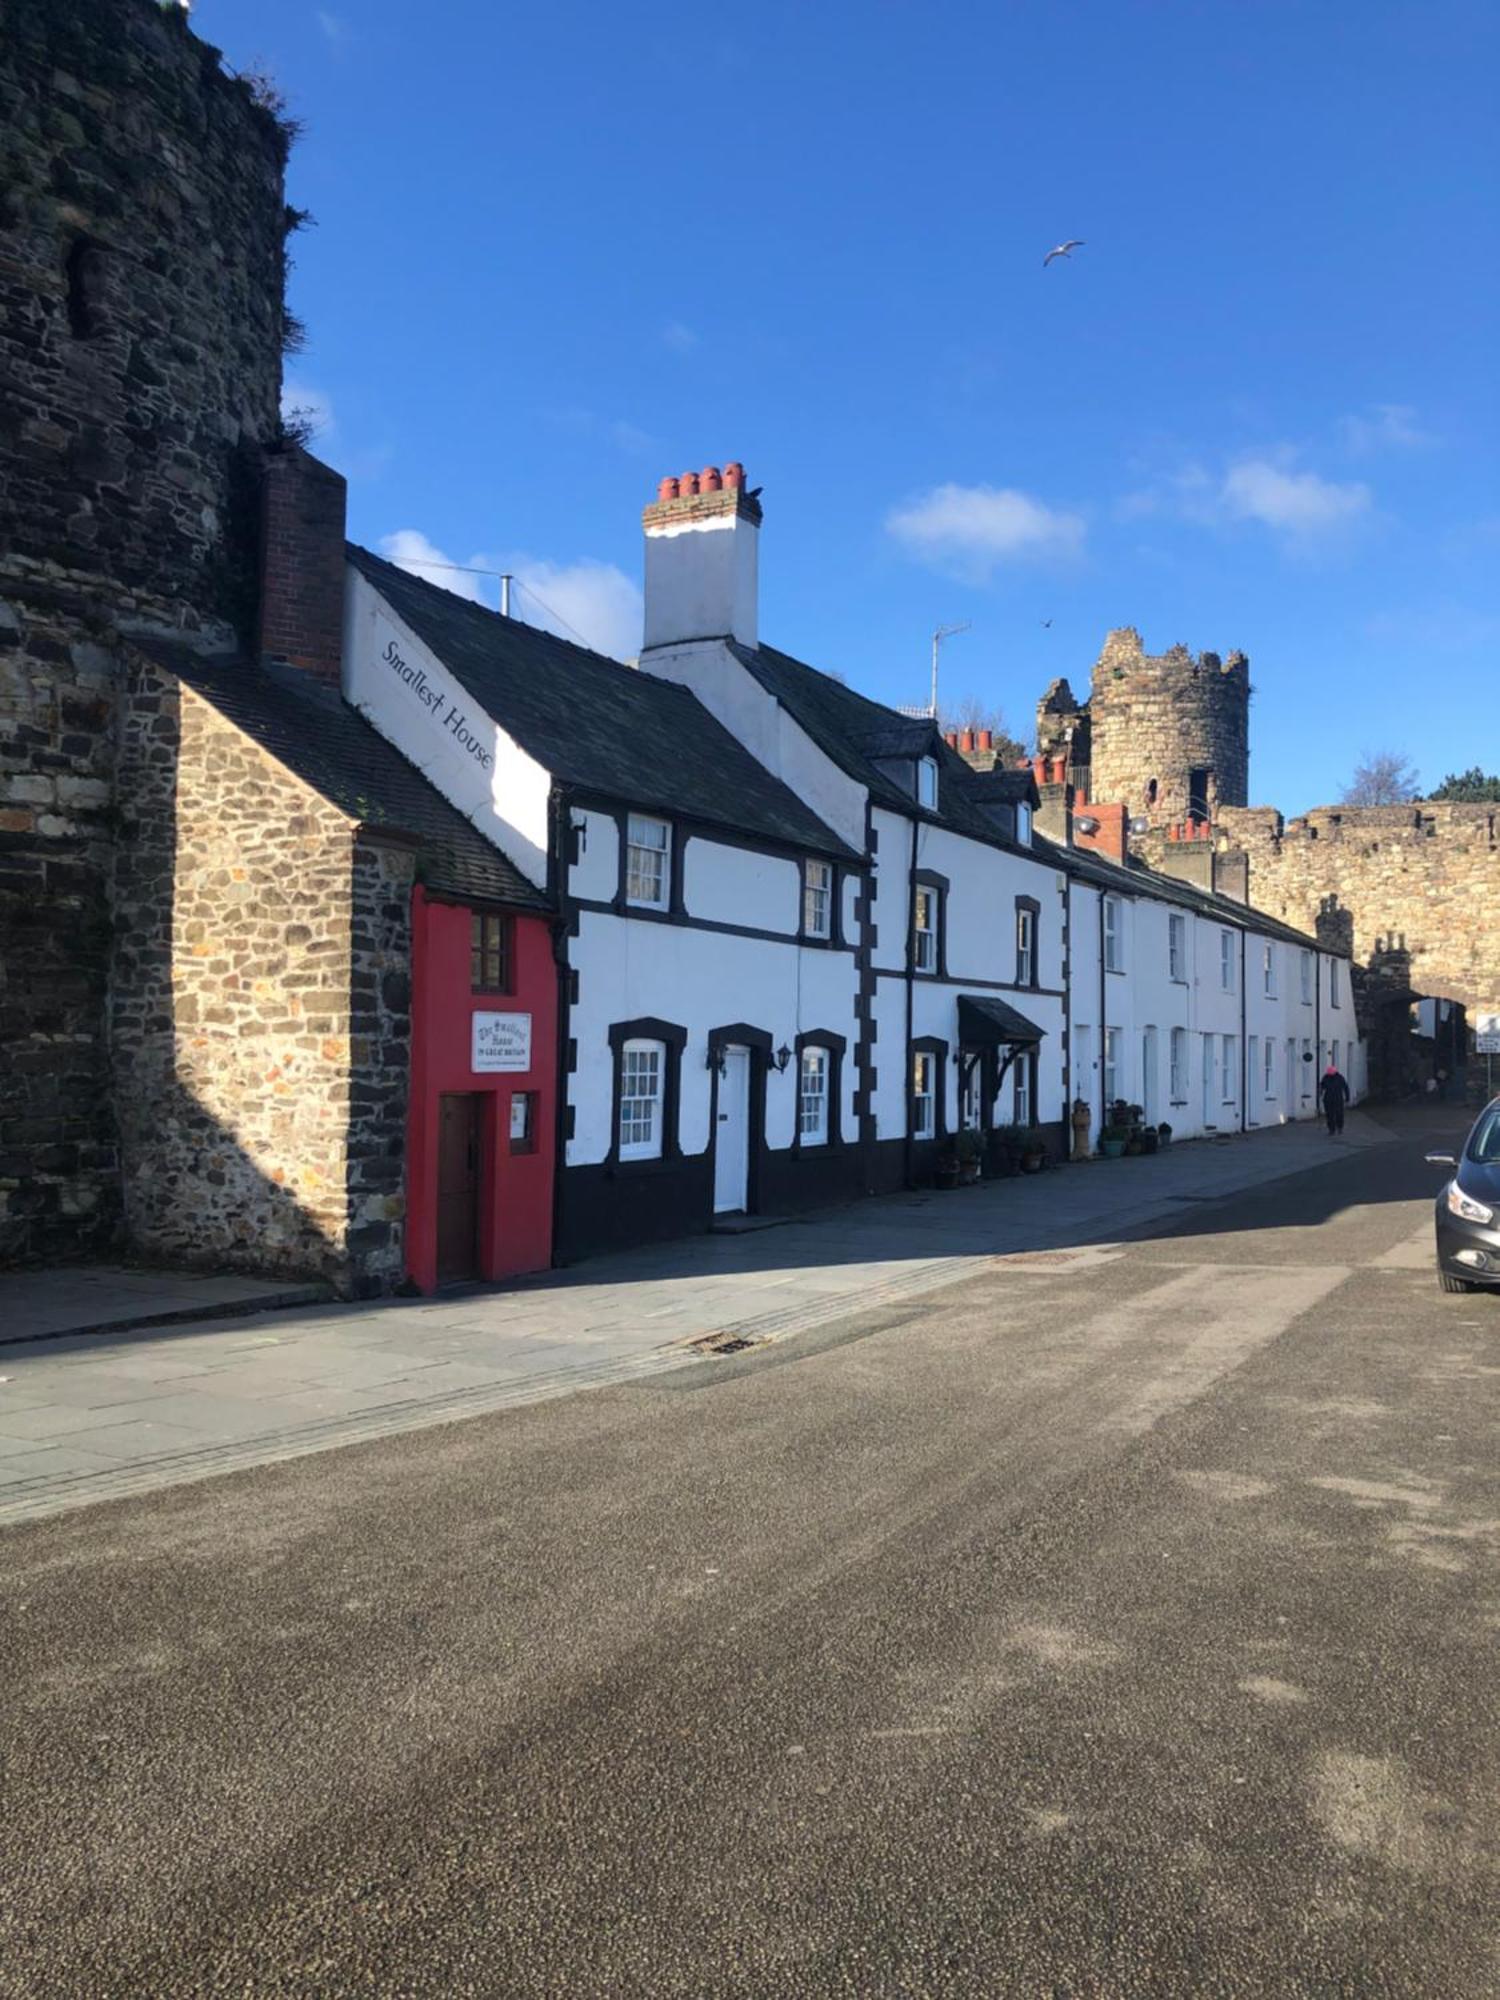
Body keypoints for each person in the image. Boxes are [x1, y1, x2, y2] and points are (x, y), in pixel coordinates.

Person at [1320, 1062, 1350, 1135]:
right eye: (1329, 1073)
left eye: (1331, 1072)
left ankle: (1339, 1127)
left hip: (1337, 1099)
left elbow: (1345, 1088)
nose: (1330, 1074)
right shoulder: (1326, 1077)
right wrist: (1320, 1092)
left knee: (1339, 1114)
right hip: (1328, 1099)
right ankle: (1331, 1129)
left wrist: (1347, 1097)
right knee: (1330, 1115)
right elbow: (1322, 1086)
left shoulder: (1339, 1078)